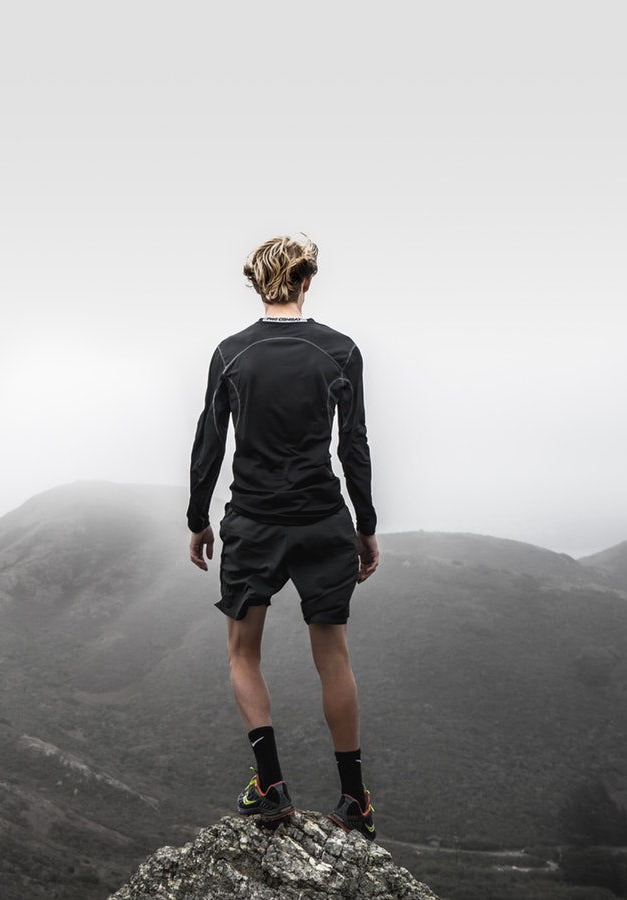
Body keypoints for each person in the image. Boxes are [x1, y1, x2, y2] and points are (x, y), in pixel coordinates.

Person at [186, 233, 380, 839]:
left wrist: (197, 518)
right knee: (334, 656)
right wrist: (365, 527)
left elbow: (210, 442)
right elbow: (354, 445)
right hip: (324, 518)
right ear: (306, 281)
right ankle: (354, 801)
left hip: (254, 522)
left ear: (256, 283)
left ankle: (271, 787)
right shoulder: (341, 352)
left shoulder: (231, 355)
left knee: (243, 651)